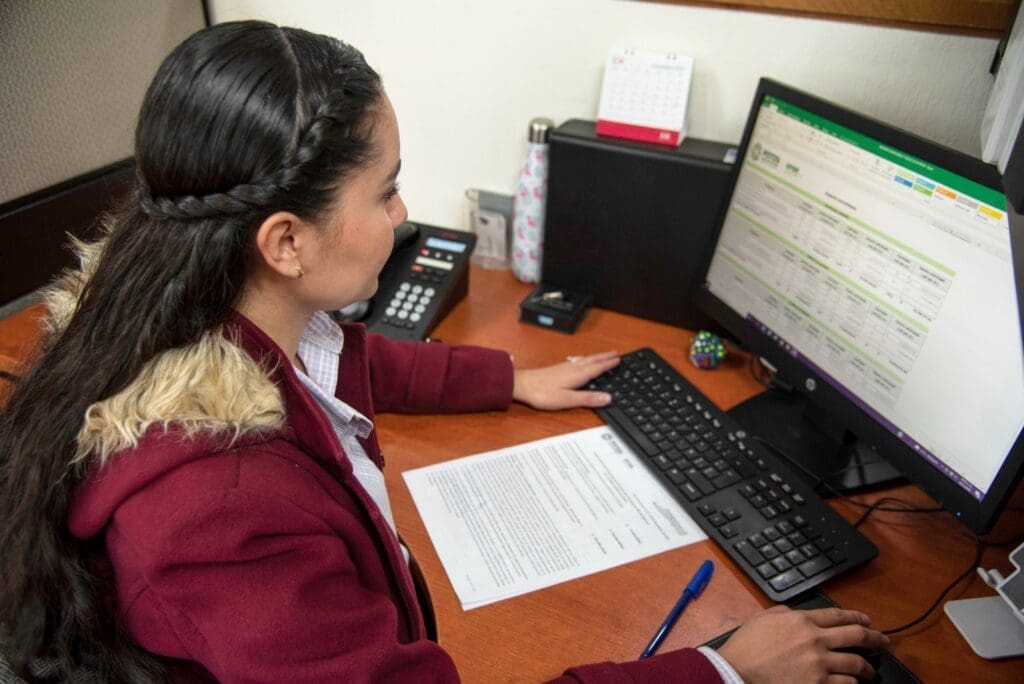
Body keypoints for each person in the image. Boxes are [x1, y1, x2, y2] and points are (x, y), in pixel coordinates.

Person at [0, 20, 888, 684]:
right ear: (286, 241)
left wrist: (513, 379)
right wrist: (722, 670)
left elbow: (354, 360)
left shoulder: (189, 309)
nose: (402, 216)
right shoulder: (220, 522)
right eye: (385, 192)